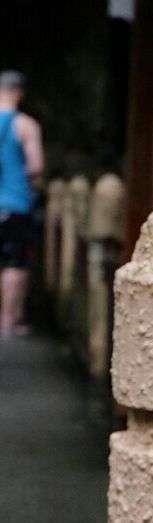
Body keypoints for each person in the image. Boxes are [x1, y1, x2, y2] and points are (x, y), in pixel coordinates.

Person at [0, 70, 43, 337]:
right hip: (15, 203)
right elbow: (36, 165)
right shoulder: (25, 125)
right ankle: (7, 320)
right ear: (19, 92)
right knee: (14, 262)